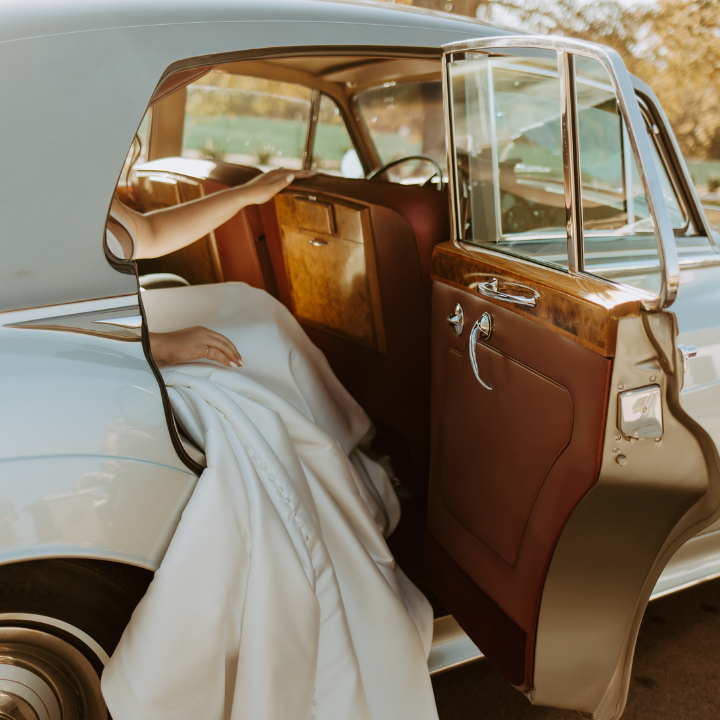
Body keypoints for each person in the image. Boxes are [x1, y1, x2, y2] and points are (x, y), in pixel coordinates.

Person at [101, 168, 439, 720]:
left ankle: (350, 452)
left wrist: (247, 193)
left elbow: (148, 234)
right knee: (254, 348)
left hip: (126, 322)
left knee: (255, 308)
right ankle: (345, 462)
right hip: (107, 345)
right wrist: (158, 344)